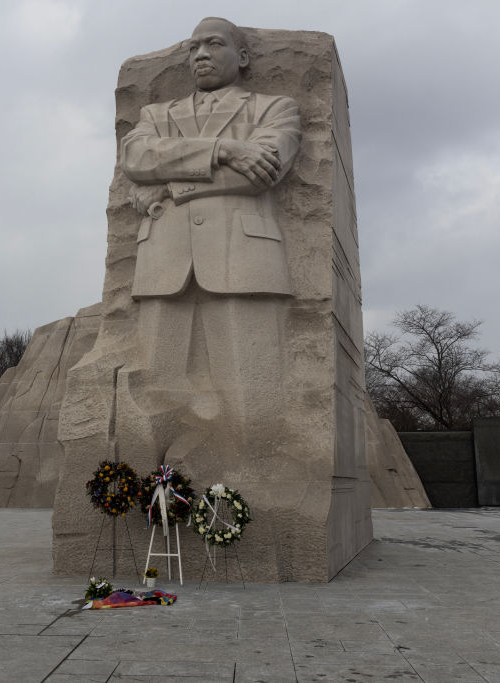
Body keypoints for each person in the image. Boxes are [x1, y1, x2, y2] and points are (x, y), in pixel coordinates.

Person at [119, 17, 302, 430]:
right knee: (153, 399)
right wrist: (223, 148)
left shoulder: (273, 108)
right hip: (163, 264)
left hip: (244, 261)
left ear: (241, 56)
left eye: (213, 44)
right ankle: (160, 491)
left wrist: (167, 189)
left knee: (252, 401)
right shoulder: (156, 113)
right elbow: (136, 159)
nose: (200, 54)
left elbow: (261, 173)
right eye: (193, 47)